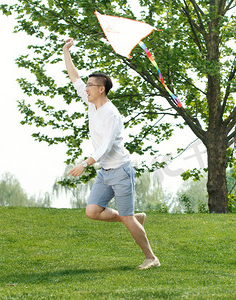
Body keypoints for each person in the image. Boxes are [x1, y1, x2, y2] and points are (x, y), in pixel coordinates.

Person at [63, 38, 160, 268]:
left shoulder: (111, 114)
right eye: (86, 86)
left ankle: (151, 257)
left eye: (90, 86)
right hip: (105, 171)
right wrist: (66, 51)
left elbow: (105, 146)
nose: (85, 88)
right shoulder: (91, 104)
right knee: (92, 211)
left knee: (126, 218)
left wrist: (85, 163)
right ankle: (136, 219)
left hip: (121, 171)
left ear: (101, 89)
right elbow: (74, 77)